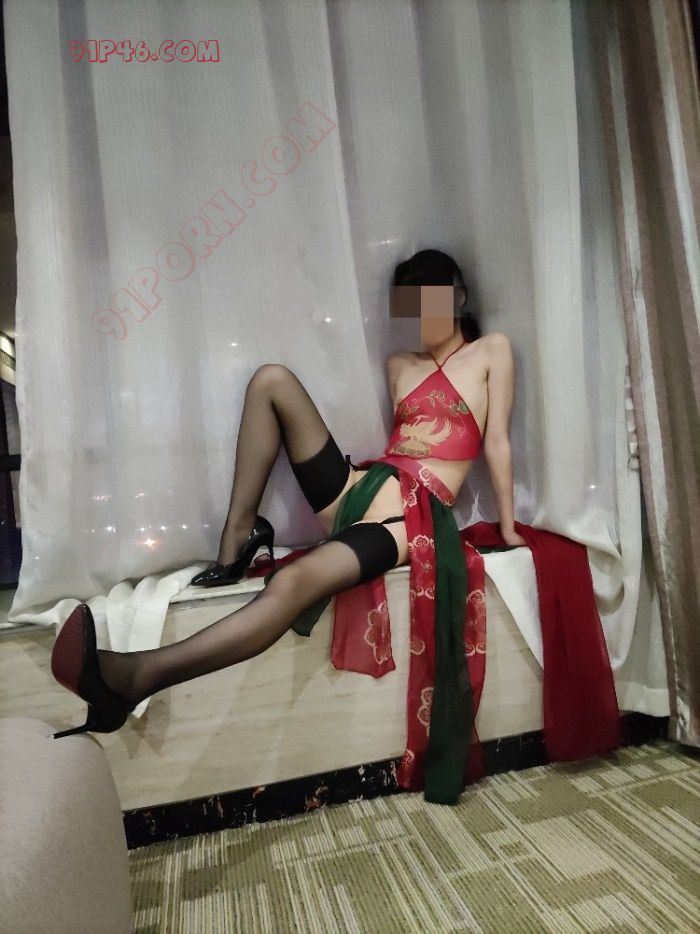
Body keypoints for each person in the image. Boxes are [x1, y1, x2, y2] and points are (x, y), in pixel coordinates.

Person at [50, 249, 523, 740]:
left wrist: (508, 528)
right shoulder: (400, 364)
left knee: (291, 584)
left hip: (409, 519)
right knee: (270, 380)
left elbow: (497, 442)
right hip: (357, 489)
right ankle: (237, 537)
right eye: (411, 304)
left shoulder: (491, 351)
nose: (421, 314)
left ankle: (134, 676)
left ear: (458, 297)